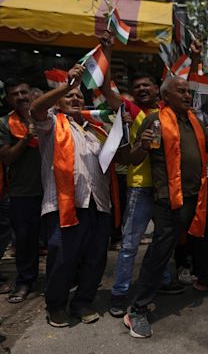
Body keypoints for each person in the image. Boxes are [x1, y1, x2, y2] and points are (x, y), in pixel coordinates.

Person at [123, 76, 208, 339]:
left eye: (188, 92)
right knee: (160, 252)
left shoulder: (196, 121)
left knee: (205, 239)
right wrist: (143, 146)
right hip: (169, 201)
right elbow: (133, 159)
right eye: (181, 92)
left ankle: (203, 280)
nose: (187, 96)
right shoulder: (156, 121)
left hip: (198, 197)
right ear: (166, 97)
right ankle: (137, 310)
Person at [99, 33, 205, 317]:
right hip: (139, 187)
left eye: (147, 85)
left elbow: (189, 88)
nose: (142, 89)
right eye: (137, 87)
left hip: (166, 189)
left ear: (159, 91)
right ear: (132, 94)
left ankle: (163, 281)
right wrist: (107, 51)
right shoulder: (132, 111)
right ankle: (120, 294)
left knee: (164, 241)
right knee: (131, 244)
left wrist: (195, 59)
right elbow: (106, 89)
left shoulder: (170, 111)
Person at [30, 64, 128, 327]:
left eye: (78, 96)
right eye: (70, 96)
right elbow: (36, 109)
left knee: (96, 259)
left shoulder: (95, 130)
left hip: (99, 205)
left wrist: (124, 130)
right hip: (64, 204)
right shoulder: (50, 124)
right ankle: (56, 306)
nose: (75, 99)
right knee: (62, 257)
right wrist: (68, 84)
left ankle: (83, 302)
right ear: (59, 100)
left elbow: (114, 158)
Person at [0, 78, 43, 303]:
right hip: (22, 193)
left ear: (32, 94)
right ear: (8, 99)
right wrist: (27, 137)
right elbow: (6, 157)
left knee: (57, 240)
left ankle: (60, 280)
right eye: (14, 94)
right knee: (25, 242)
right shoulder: (5, 123)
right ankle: (25, 282)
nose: (21, 97)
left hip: (53, 191)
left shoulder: (49, 117)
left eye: (24, 92)